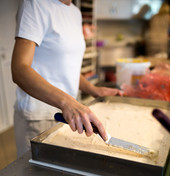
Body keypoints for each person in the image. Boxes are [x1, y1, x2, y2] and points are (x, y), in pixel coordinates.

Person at [11, 0, 121, 158]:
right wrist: (67, 102)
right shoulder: (35, 4)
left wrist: (94, 90)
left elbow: (66, 67)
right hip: (39, 116)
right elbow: (19, 69)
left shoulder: (75, 13)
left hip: (68, 115)